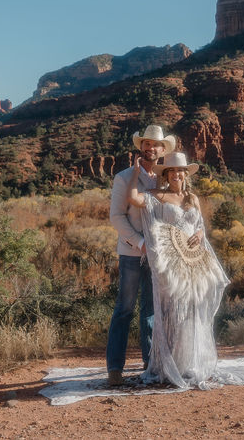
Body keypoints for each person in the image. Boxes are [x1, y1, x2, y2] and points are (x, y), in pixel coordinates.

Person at [127, 151, 230, 389]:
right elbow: (133, 197)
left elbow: (200, 226)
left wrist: (199, 234)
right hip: (170, 264)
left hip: (193, 261)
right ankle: (168, 365)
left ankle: (188, 363)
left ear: (185, 174)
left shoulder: (192, 198)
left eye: (180, 171)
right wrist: (134, 173)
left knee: (191, 311)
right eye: (172, 171)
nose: (176, 175)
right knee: (171, 311)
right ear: (167, 174)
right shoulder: (156, 196)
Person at [105, 124, 176, 387]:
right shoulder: (124, 177)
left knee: (150, 310)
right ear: (141, 147)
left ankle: (150, 364)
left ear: (162, 150)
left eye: (155, 144)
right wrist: (140, 242)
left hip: (159, 255)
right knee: (124, 310)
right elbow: (116, 216)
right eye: (146, 143)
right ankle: (114, 368)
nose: (150, 148)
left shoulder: (165, 180)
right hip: (132, 253)